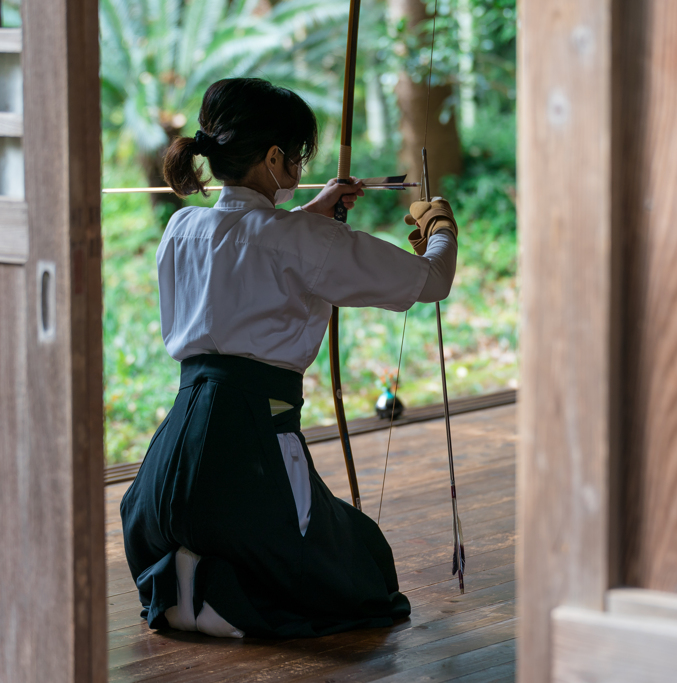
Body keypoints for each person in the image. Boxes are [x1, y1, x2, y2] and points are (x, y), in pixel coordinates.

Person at [120, 77, 459, 639]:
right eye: (297, 155)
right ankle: (221, 596)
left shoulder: (181, 227)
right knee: (363, 571)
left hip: (170, 464)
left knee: (218, 533)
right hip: (253, 453)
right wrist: (440, 227)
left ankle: (188, 582)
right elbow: (431, 280)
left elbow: (250, 241)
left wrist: (308, 213)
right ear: (274, 156)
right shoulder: (300, 238)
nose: (301, 164)